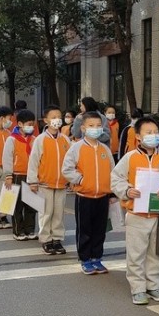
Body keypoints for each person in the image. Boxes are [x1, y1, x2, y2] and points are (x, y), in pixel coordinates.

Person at [111, 116, 159, 305]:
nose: (153, 136)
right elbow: (116, 179)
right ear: (138, 137)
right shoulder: (130, 158)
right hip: (136, 214)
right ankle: (138, 288)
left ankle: (154, 285)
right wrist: (126, 191)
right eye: (148, 133)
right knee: (136, 253)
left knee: (157, 252)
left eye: (155, 132)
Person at [63, 112, 117, 273]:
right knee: (85, 230)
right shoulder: (76, 148)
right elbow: (67, 169)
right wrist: (80, 180)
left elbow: (112, 171)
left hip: (102, 196)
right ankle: (85, 259)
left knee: (100, 230)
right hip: (84, 196)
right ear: (83, 128)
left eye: (98, 126)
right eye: (91, 126)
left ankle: (97, 258)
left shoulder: (105, 149)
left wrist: (112, 193)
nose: (95, 129)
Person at [28, 106, 72, 255]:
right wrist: (32, 181)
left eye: (59, 116)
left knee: (59, 212)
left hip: (61, 183)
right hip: (44, 183)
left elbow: (71, 161)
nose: (57, 120)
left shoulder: (65, 139)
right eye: (53, 117)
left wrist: (71, 178)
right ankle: (46, 239)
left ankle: (57, 238)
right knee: (46, 212)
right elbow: (33, 161)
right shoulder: (40, 140)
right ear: (46, 120)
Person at [3, 109, 38, 241]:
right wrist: (8, 175)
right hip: (17, 174)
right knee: (17, 205)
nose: (31, 127)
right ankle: (18, 230)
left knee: (31, 205)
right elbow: (7, 158)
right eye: (29, 124)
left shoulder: (34, 139)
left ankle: (30, 230)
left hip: (32, 176)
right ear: (20, 124)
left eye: (33, 124)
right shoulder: (12, 139)